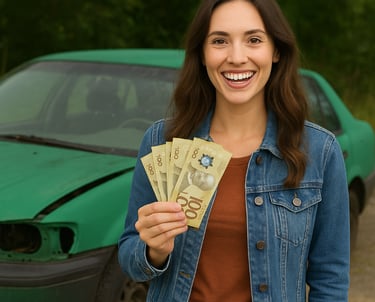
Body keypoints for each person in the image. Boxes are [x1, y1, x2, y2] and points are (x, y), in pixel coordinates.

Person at [118, 0, 350, 301]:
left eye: (254, 40)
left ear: (276, 50)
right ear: (202, 54)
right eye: (219, 41)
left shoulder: (320, 151)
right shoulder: (162, 140)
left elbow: (330, 280)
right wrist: (153, 250)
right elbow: (129, 258)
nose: (237, 57)